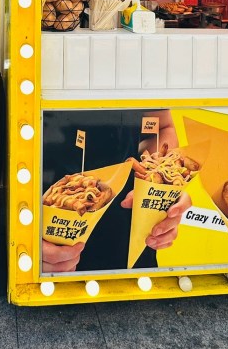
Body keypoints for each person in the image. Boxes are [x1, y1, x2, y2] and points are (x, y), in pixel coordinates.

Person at [40, 109, 191, 273]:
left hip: (130, 236)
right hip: (49, 241)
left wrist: (159, 184)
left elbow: (162, 127)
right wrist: (22, 238)